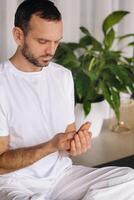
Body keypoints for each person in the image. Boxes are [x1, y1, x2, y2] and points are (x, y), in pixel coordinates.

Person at [0, 0, 134, 199]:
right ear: (19, 35)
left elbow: (67, 139)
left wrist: (75, 143)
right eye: (43, 41)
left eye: (57, 42)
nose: (51, 51)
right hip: (17, 183)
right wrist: (51, 146)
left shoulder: (62, 76)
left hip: (62, 177)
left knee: (129, 179)